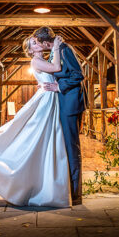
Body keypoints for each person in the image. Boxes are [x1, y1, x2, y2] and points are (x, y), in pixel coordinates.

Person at [0, 31, 71, 207]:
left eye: (37, 41)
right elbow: (57, 68)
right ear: (30, 51)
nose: (37, 44)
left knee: (46, 139)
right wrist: (58, 47)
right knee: (33, 135)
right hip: (45, 99)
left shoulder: (42, 60)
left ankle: (42, 184)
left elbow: (51, 71)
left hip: (49, 96)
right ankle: (10, 170)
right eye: (33, 44)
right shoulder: (36, 61)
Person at [34, 26, 85, 205]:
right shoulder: (55, 52)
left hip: (70, 104)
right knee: (63, 146)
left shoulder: (64, 50)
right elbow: (56, 73)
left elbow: (78, 75)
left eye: (38, 42)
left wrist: (59, 87)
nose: (38, 46)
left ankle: (76, 194)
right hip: (61, 104)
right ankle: (67, 189)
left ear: (44, 42)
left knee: (71, 148)